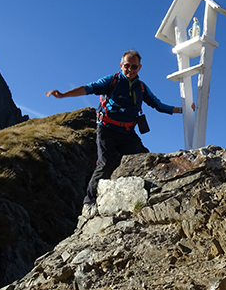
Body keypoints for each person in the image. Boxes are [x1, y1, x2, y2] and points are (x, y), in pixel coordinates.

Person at [45, 50, 182, 213]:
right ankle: (89, 201)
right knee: (106, 163)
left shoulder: (142, 88)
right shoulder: (112, 81)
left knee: (144, 158)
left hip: (127, 132)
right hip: (107, 129)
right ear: (121, 65)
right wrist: (62, 95)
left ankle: (149, 190)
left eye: (134, 66)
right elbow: (88, 88)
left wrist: (182, 110)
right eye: (126, 66)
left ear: (139, 68)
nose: (130, 69)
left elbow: (158, 105)